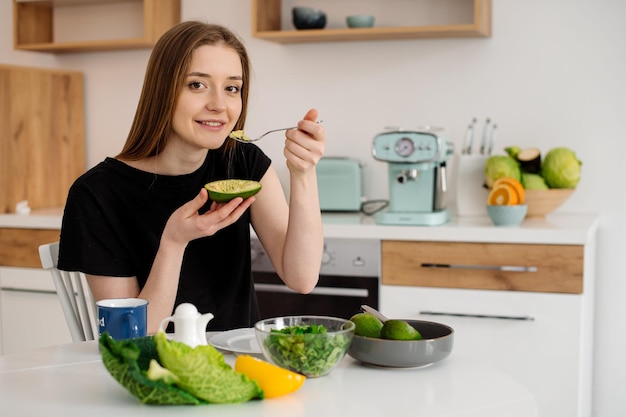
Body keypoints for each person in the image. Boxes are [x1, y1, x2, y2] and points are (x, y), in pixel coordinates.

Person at [57, 21, 326, 333]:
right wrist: (173, 242)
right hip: (154, 372)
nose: (219, 105)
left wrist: (303, 174)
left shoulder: (242, 162)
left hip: (236, 367)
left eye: (232, 88)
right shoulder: (97, 194)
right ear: (163, 90)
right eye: (197, 85)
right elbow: (131, 339)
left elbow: (302, 277)